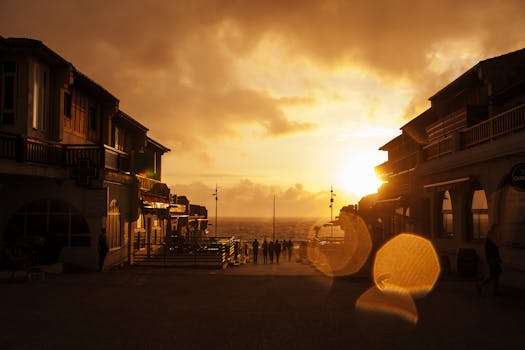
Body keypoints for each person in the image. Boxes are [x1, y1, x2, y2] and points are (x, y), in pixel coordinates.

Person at [478, 224, 502, 296]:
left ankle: (495, 290)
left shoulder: (492, 238)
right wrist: (496, 258)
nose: (498, 231)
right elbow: (492, 250)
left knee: (496, 274)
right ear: (494, 230)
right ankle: (480, 285)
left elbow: (496, 249)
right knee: (493, 275)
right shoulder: (490, 239)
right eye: (497, 229)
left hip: (494, 259)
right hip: (492, 259)